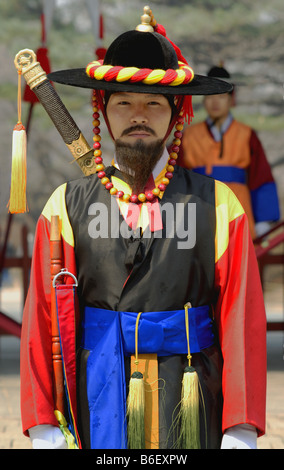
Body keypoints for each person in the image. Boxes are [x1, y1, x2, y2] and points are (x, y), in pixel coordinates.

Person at [20, 8, 267, 450]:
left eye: (154, 103)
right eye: (124, 103)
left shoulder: (218, 205)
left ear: (176, 114)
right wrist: (43, 425)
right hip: (97, 391)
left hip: (191, 390)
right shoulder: (66, 206)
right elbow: (41, 321)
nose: (139, 115)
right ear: (103, 110)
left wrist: (240, 427)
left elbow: (240, 319)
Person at [179, 64, 280, 240]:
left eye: (221, 95)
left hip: (239, 211)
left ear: (232, 99)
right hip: (199, 214)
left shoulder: (247, 135)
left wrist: (262, 221)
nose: (215, 101)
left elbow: (260, 177)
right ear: (204, 100)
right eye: (210, 96)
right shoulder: (188, 136)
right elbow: (178, 181)